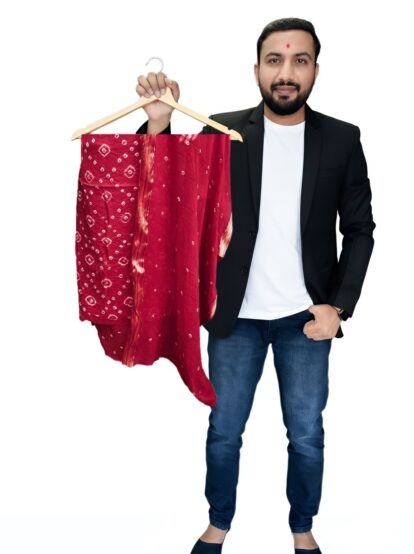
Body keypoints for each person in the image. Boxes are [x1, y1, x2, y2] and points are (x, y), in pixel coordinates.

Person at [134, 17, 376, 554]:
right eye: (275, 61)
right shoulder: (221, 132)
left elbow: (360, 229)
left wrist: (339, 306)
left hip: (306, 319)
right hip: (235, 316)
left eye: (299, 61)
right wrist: (160, 124)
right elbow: (170, 193)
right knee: (225, 429)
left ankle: (302, 529)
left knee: (306, 434)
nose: (286, 72)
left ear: (315, 70)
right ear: (257, 70)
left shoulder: (342, 139)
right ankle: (218, 524)